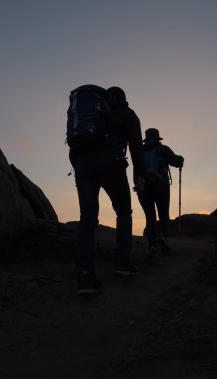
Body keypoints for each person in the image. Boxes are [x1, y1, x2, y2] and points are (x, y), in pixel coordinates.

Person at [69, 86, 146, 296]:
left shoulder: (93, 112)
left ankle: (85, 276)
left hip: (84, 165)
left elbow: (73, 145)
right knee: (123, 212)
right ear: (124, 98)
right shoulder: (127, 114)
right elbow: (136, 146)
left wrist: (80, 167)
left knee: (87, 218)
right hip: (112, 164)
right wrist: (140, 175)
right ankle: (122, 263)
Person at [137, 128, 184, 256]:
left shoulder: (139, 151)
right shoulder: (163, 149)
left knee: (150, 217)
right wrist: (180, 159)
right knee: (163, 214)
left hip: (144, 188)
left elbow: (137, 170)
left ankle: (152, 244)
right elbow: (176, 162)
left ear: (146, 139)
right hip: (161, 185)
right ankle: (162, 237)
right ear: (158, 138)